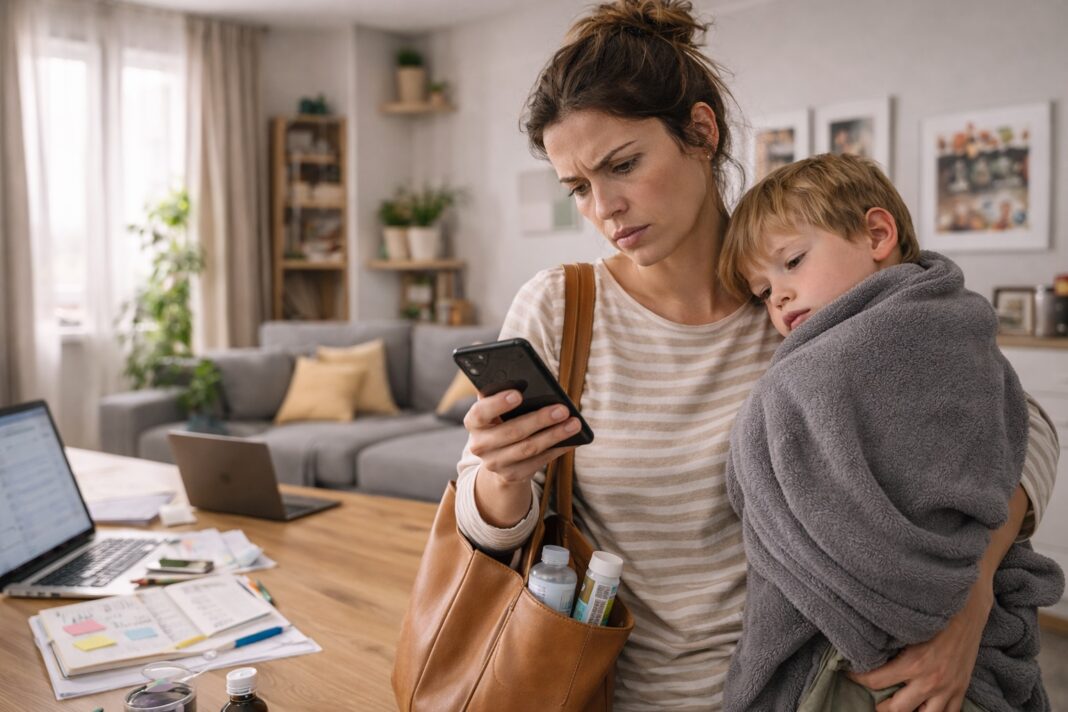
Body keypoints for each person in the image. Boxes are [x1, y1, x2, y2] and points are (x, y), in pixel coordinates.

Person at [453, 1, 1060, 709]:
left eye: (623, 165)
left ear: (701, 132)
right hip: (624, 692)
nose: (605, 207)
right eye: (579, 188)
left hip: (808, 692)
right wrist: (500, 475)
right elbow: (483, 520)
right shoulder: (561, 309)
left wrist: (970, 599)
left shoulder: (804, 296)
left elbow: (1021, 428)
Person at [717, 152, 1064, 711]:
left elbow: (1011, 430)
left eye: (792, 262)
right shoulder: (806, 363)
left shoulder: (945, 331)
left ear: (878, 233)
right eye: (761, 292)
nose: (776, 297)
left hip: (870, 657)